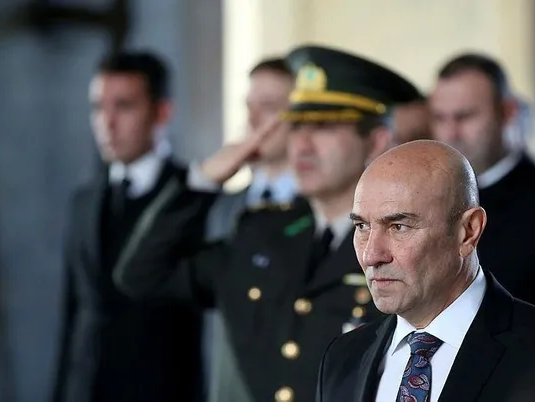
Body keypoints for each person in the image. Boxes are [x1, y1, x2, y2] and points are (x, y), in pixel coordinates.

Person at [113, 44, 425, 402]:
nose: (303, 145)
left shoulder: (404, 245)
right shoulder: (262, 233)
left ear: (376, 141)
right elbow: (141, 275)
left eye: (324, 126)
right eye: (297, 126)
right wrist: (202, 181)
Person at [316, 140, 535, 402]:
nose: (371, 255)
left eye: (398, 227)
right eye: (362, 226)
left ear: (468, 231)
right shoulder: (342, 358)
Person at [51, 51, 215, 402]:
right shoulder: (84, 201)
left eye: (123, 106)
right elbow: (72, 314)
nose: (107, 122)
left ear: (162, 112)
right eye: (98, 107)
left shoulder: (193, 197)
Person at [429, 52, 535, 331]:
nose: (450, 133)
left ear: (507, 112)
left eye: (465, 117)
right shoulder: (427, 204)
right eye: (440, 118)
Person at [191, 57, 297, 402]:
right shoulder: (223, 207)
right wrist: (203, 179)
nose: (251, 121)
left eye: (268, 107)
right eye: (248, 107)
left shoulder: (319, 209)